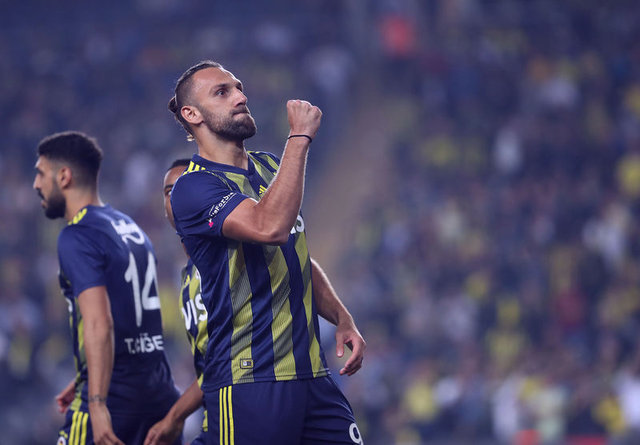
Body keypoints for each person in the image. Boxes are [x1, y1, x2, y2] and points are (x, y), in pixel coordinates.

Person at [168, 60, 366, 444]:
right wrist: (300, 137)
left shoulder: (271, 167)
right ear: (192, 114)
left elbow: (296, 256)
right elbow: (269, 228)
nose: (240, 97)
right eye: (222, 92)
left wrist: (342, 318)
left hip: (312, 376)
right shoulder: (193, 187)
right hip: (250, 381)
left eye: (239, 87)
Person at [33, 131, 181, 445]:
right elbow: (134, 322)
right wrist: (87, 372)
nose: (36, 184)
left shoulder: (77, 234)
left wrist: (97, 402)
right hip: (159, 397)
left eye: (41, 174)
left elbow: (100, 322)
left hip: (114, 400)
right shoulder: (131, 228)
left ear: (64, 176)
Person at [144, 158, 207, 445]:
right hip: (213, 405)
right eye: (168, 192)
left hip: (248, 402)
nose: (176, 198)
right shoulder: (187, 277)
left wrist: (174, 417)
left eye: (183, 187)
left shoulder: (230, 253)